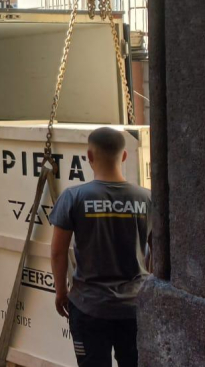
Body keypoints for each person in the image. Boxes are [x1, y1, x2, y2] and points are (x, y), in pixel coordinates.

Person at [50, 127, 151, 367]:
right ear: (124, 156)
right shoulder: (147, 198)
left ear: (89, 156)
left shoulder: (73, 197)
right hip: (135, 307)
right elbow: (159, 254)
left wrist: (61, 292)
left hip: (88, 307)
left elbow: (58, 252)